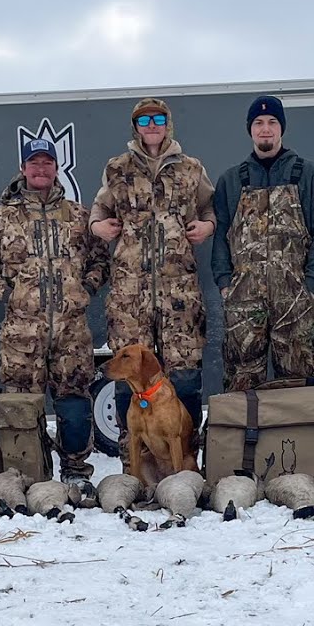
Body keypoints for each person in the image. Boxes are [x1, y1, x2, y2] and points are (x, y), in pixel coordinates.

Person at [0, 138, 109, 493]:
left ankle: (76, 471)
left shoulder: (79, 215)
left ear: (56, 168)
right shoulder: (3, 217)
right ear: (23, 169)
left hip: (71, 333)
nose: (41, 169)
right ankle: (28, 473)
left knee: (75, 404)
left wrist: (85, 290)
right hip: (21, 335)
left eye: (47, 162)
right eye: (34, 163)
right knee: (20, 407)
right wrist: (9, 294)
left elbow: (100, 261)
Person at [89, 97, 215, 458]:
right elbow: (100, 207)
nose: (152, 125)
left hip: (179, 293)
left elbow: (209, 206)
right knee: (127, 375)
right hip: (131, 295)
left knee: (185, 374)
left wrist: (207, 225)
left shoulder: (191, 168)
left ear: (168, 123)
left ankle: (187, 461)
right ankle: (135, 465)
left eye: (158, 118)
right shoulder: (117, 168)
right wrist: (99, 225)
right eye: (144, 120)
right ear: (135, 127)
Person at [212, 94, 314, 392]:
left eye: (272, 122)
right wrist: (225, 283)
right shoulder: (231, 180)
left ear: (282, 128)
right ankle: (245, 439)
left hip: (295, 300)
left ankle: (302, 440)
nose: (265, 129)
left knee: (300, 384)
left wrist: (311, 284)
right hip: (244, 301)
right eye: (258, 123)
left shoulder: (307, 173)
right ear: (250, 129)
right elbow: (221, 236)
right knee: (241, 384)